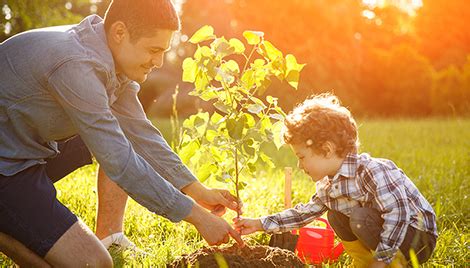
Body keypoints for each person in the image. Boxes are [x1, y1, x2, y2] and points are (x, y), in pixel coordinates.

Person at [0, 0, 244, 266]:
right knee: (93, 264)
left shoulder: (111, 57)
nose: (159, 62)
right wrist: (197, 216)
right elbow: (120, 161)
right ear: (119, 32)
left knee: (119, 136)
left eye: (164, 51)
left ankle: (109, 235)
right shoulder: (77, 65)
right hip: (7, 167)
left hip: (24, 147)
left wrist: (197, 190)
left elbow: (141, 135)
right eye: (153, 50)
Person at [233, 93, 437, 268]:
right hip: (386, 232)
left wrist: (382, 260)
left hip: (417, 237)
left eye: (301, 157)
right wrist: (259, 224)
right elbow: (303, 214)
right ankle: (364, 263)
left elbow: (398, 213)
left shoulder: (371, 171)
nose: (299, 165)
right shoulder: (327, 186)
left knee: (358, 217)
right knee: (336, 215)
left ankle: (391, 264)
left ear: (327, 150)